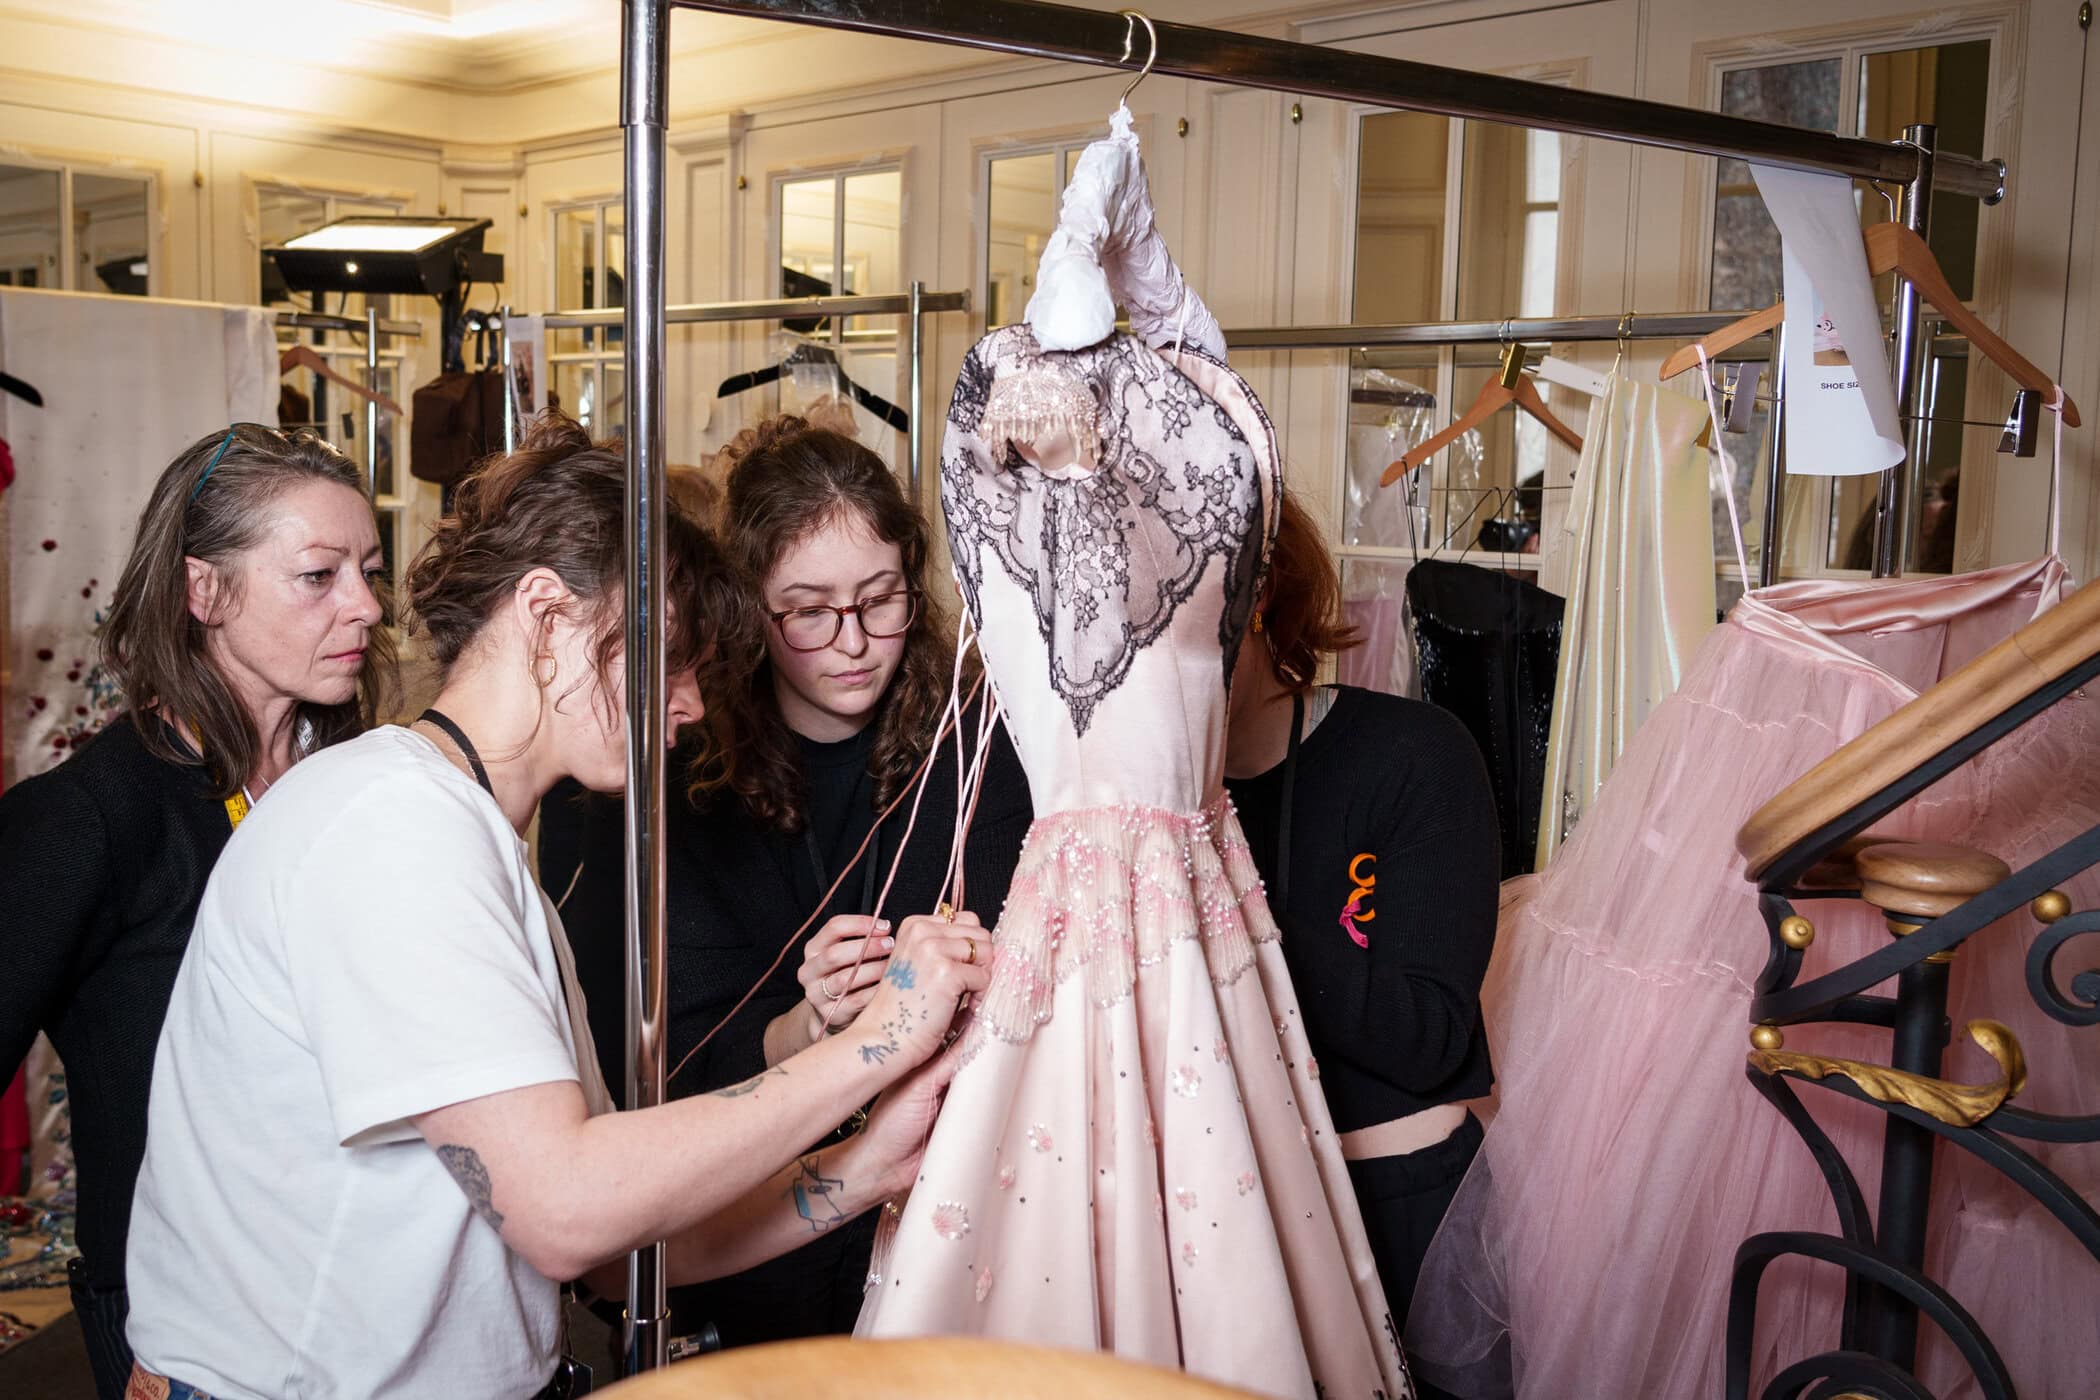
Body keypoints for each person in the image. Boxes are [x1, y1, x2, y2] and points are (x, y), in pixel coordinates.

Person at [122, 413, 991, 1399]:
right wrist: (869, 1046)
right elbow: (567, 1208)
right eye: (668, 658)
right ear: (547, 614)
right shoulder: (387, 826)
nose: (694, 703)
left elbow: (617, 1247)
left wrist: (865, 1165)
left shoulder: (477, 847)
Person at [545, 415, 1032, 1350]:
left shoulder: (980, 752)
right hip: (747, 1261)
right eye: (808, 611)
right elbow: (659, 1078)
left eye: (880, 599)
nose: (851, 642)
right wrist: (805, 1028)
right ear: (748, 610)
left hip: (948, 1232)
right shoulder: (676, 783)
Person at [0, 422, 391, 1400]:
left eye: (371, 569)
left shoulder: (358, 786)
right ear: (204, 590)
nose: (368, 606)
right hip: (191, 1335)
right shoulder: (90, 816)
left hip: (364, 1298)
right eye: (320, 574)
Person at [1221, 493, 1500, 1391]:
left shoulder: (1414, 755)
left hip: (1402, 1214)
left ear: (1257, 596)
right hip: (1219, 1219)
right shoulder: (1124, 817)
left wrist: (1223, 896)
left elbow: (1427, 1037)